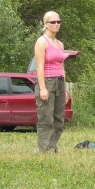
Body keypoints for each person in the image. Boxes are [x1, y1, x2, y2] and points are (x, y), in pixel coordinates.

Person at [34, 11, 68, 153]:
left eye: (58, 22)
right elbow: (39, 67)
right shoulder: (42, 42)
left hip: (59, 81)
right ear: (46, 24)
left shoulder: (60, 44)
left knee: (58, 118)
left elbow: (62, 67)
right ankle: (44, 149)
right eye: (53, 22)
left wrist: (65, 89)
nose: (56, 25)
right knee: (46, 117)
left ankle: (52, 147)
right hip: (47, 81)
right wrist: (42, 88)